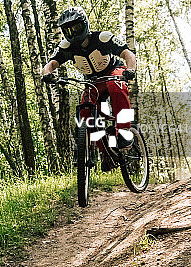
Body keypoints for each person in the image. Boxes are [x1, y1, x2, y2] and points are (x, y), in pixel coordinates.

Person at [40, 6, 137, 172]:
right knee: (85, 112)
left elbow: (128, 54)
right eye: (68, 30)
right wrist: (47, 73)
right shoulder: (66, 47)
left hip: (113, 72)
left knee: (116, 86)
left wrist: (130, 69)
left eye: (76, 27)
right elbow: (51, 63)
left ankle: (124, 131)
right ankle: (105, 153)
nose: (73, 32)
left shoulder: (103, 38)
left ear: (84, 24)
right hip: (93, 81)